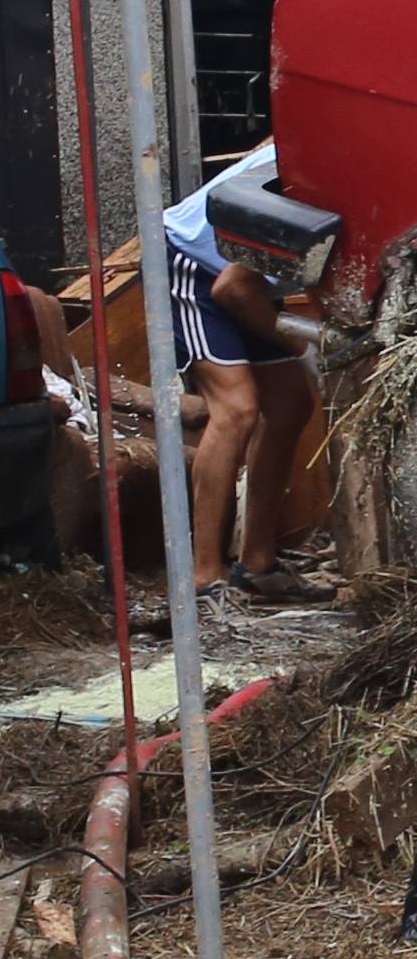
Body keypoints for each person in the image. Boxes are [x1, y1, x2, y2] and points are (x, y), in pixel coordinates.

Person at [163, 137, 328, 624]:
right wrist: (306, 347)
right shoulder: (330, 169)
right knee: (236, 410)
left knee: (292, 405)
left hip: (248, 274)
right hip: (196, 265)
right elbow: (231, 289)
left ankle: (257, 564)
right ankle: (204, 578)